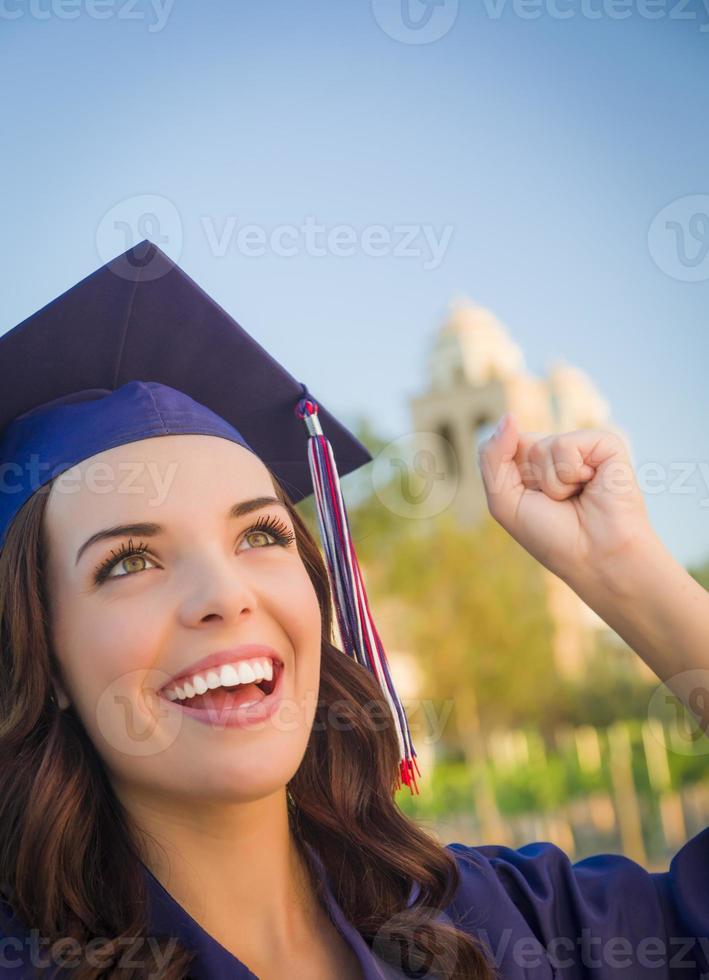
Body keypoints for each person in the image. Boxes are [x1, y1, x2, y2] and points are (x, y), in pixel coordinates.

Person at [0, 242, 706, 979]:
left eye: (259, 535)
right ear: (41, 655)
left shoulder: (502, 923)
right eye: (130, 561)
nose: (226, 596)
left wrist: (623, 572)